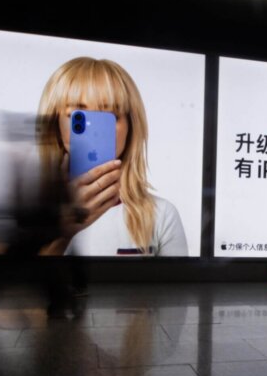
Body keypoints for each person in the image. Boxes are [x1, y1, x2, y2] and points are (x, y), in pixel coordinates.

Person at [34, 57, 187, 257]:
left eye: (112, 116)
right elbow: (11, 284)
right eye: (77, 116)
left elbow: (179, 288)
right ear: (54, 125)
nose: (95, 130)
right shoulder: (23, 211)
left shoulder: (162, 215)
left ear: (131, 126)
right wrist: (62, 233)